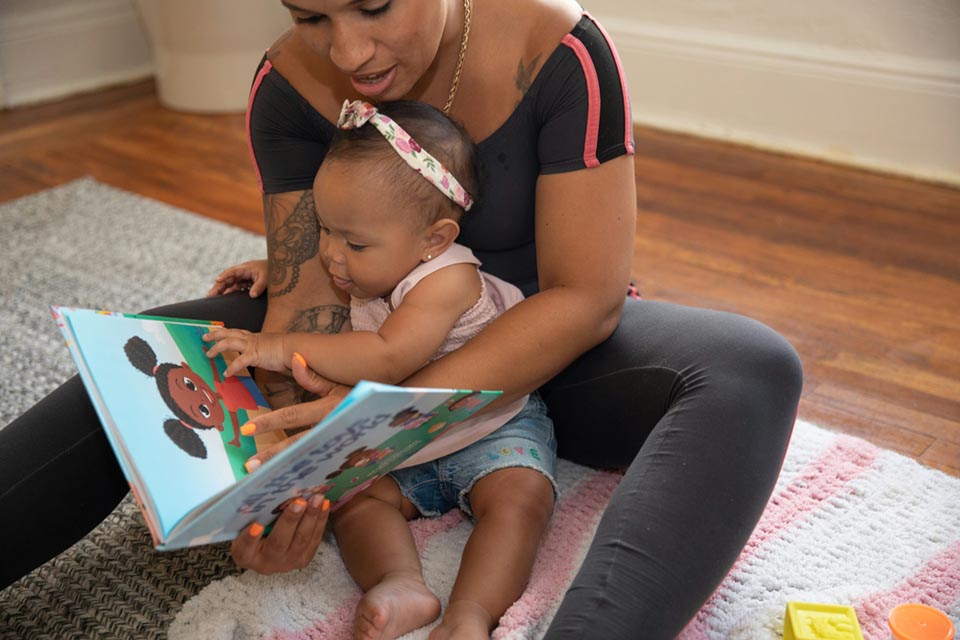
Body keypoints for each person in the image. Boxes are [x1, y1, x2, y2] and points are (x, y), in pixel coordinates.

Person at [0, 1, 803, 638]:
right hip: (361, 334)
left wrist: (392, 404)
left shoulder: (560, 52)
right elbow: (308, 308)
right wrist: (278, 486)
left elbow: (586, 299)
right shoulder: (286, 85)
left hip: (548, 355)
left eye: (375, 6)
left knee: (750, 369)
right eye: (310, 16)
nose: (347, 53)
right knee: (137, 365)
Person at [205, 99, 558, 639]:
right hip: (402, 442)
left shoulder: (447, 279)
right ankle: (400, 582)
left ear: (434, 240)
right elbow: (334, 280)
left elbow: (389, 355)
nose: (331, 255)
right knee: (350, 503)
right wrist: (279, 272)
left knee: (520, 499)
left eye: (355, 242)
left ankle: (471, 614)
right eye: (326, 230)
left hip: (490, 425)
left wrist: (277, 345)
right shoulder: (371, 268)